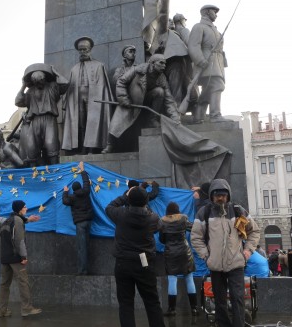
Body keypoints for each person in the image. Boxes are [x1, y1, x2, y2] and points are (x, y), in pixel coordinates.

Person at [190, 179, 260, 327]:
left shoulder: (238, 210)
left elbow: (254, 231)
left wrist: (247, 251)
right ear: (211, 196)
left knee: (238, 299)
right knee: (220, 302)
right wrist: (206, 256)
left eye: (223, 195)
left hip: (236, 263)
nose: (220, 198)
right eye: (217, 195)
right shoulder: (204, 213)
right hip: (215, 265)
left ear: (228, 195)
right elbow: (196, 237)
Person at [105, 187, 165, 327]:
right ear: (146, 201)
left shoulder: (120, 214)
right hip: (144, 263)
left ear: (128, 200)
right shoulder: (153, 218)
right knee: (152, 302)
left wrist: (125, 195)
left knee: (126, 304)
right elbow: (159, 226)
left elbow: (109, 207)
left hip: (123, 263)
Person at [103, 54, 180, 153]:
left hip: (145, 100)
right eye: (161, 63)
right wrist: (123, 98)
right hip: (131, 100)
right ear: (152, 63)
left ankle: (152, 120)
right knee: (117, 122)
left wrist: (175, 118)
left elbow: (169, 99)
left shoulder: (162, 78)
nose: (164, 66)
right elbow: (121, 81)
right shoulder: (138, 70)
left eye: (165, 63)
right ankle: (110, 145)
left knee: (160, 91)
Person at [62, 36, 113, 155]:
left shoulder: (99, 65)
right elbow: (70, 87)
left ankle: (91, 149)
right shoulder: (74, 68)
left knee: (93, 122)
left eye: (85, 49)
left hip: (94, 98)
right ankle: (83, 148)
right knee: (81, 123)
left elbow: (102, 86)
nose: (83, 52)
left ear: (90, 49)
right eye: (80, 50)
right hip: (77, 99)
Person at [15, 64, 68, 166]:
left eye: (40, 81)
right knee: (31, 147)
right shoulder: (30, 91)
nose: (39, 84)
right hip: (34, 121)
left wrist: (56, 73)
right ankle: (32, 173)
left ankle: (55, 170)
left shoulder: (52, 87)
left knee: (51, 144)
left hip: (49, 119)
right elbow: (17, 101)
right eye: (36, 82)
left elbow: (65, 84)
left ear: (44, 79)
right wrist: (23, 86)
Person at [0, 200, 42, 318]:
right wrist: (23, 256)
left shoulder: (8, 220)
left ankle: (1, 311)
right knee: (23, 282)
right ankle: (26, 308)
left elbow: (11, 230)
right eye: (25, 207)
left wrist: (28, 220)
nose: (26, 209)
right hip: (16, 257)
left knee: (4, 284)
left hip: (5, 257)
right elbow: (19, 240)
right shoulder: (17, 221)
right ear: (20, 209)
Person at [187, 4, 228, 123]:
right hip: (207, 64)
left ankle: (198, 116)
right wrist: (200, 60)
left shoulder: (214, 29)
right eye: (214, 12)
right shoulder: (199, 27)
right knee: (217, 85)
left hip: (217, 63)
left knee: (207, 91)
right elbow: (193, 45)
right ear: (207, 12)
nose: (216, 14)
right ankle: (215, 115)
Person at [159, 202, 197, 317]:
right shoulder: (183, 219)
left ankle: (172, 309)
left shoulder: (162, 221)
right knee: (189, 278)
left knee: (172, 279)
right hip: (185, 252)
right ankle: (194, 308)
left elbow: (162, 239)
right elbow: (193, 228)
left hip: (171, 253)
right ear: (178, 210)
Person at [62, 161, 94, 275]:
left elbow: (65, 201)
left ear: (73, 190)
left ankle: (82, 271)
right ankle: (86, 269)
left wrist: (65, 192)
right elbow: (86, 181)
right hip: (89, 221)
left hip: (80, 224)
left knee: (82, 248)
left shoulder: (72, 197)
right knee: (87, 245)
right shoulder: (86, 191)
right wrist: (82, 169)